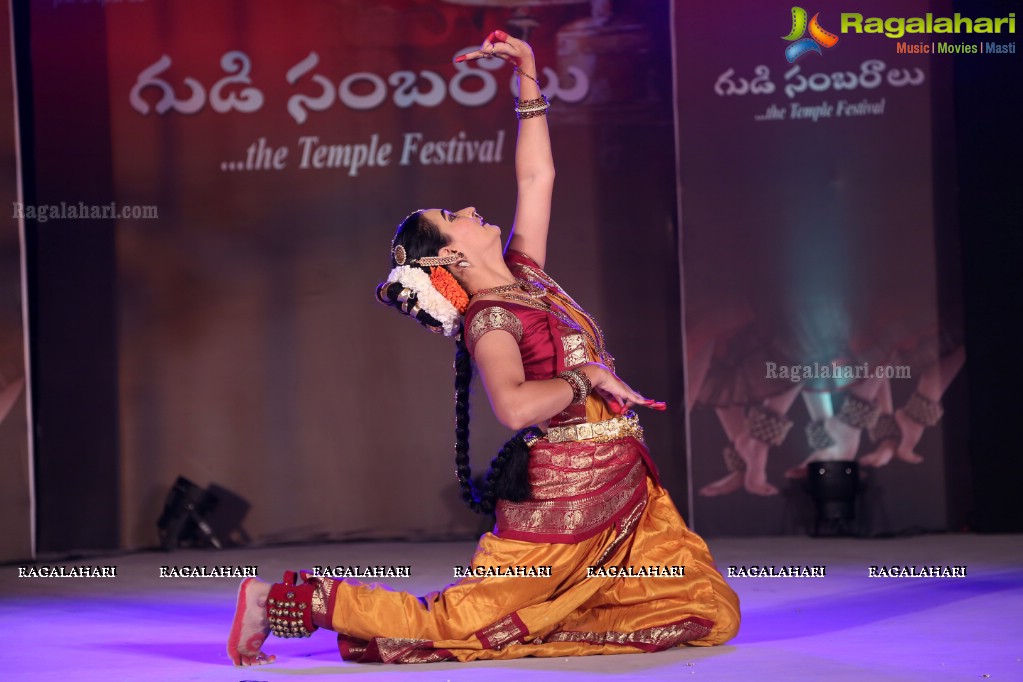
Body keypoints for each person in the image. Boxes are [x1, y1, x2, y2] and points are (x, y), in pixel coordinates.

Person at [227, 29, 739, 666]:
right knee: (462, 624)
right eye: (454, 213)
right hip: (564, 500)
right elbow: (516, 409)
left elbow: (537, 173)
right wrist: (589, 379)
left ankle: (557, 611)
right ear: (449, 253)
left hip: (625, 486)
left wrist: (526, 71)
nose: (470, 208)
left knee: (700, 607)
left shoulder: (527, 277)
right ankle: (290, 600)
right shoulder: (491, 320)